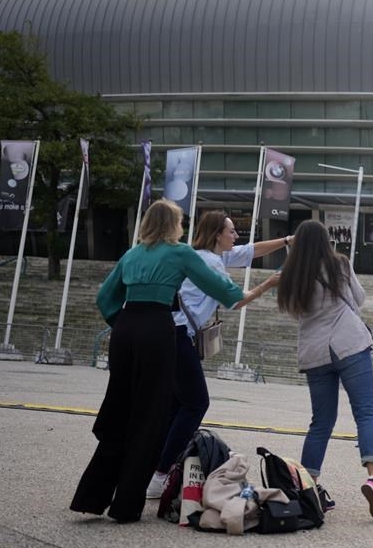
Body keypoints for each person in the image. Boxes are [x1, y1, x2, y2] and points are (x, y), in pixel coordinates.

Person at [70, 200, 259, 523]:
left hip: (126, 329)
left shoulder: (132, 254)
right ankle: (126, 504)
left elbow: (105, 298)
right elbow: (226, 292)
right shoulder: (179, 252)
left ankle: (91, 495)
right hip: (158, 330)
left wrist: (126, 324)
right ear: (174, 224)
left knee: (119, 411)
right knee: (151, 416)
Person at [144, 211, 287, 500]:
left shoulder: (207, 255)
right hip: (179, 335)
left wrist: (285, 240)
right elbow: (235, 299)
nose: (236, 237)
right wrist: (269, 284)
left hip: (165, 333)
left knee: (175, 406)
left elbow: (250, 251)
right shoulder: (210, 262)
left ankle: (153, 469)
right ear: (217, 234)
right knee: (197, 403)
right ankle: (160, 475)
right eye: (231, 231)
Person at [276, 220, 373, 522]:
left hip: (315, 353)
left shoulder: (293, 272)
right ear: (326, 241)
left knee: (321, 422)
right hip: (349, 344)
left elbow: (294, 311)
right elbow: (359, 299)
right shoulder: (338, 263)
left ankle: (307, 487)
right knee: (365, 413)